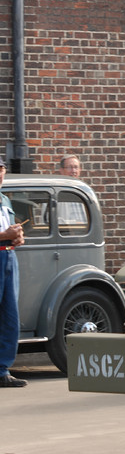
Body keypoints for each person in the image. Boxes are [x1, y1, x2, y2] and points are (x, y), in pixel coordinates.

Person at [0, 156, 27, 387]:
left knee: (10, 315)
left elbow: (10, 231)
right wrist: (5, 236)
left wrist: (17, 237)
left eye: (0, 170)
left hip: (9, 256)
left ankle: (2, 369)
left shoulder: (5, 201)